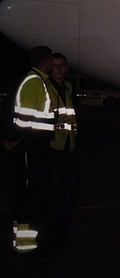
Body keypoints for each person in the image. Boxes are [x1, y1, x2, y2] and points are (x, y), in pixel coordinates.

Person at [10, 45, 55, 255]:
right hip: (32, 149)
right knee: (29, 194)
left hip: (36, 148)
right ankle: (25, 243)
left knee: (30, 193)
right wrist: (19, 142)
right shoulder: (34, 82)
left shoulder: (37, 81)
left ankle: (24, 239)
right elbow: (24, 120)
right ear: (47, 62)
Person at [44, 52, 79, 250]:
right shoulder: (46, 88)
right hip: (53, 150)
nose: (58, 69)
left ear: (66, 68)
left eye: (61, 65)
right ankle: (49, 238)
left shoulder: (69, 88)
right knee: (52, 197)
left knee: (67, 196)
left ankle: (60, 236)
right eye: (55, 65)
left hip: (69, 149)